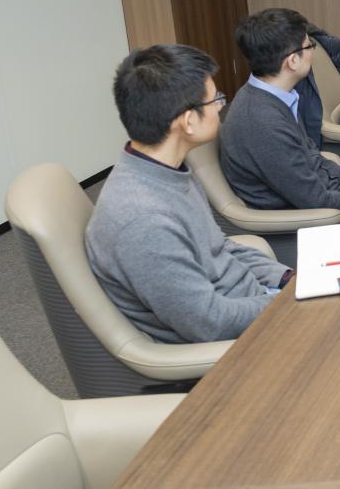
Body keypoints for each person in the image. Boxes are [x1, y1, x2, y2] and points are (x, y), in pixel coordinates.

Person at [86, 45, 288, 344]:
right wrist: (289, 302)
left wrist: (287, 279)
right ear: (188, 121)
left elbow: (218, 247)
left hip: (255, 303)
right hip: (239, 342)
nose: (220, 107)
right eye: (215, 100)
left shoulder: (166, 170)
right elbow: (210, 322)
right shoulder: (145, 222)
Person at [220, 8, 340, 213]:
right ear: (292, 61)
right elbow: (316, 200)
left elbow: (315, 160)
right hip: (299, 220)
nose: (313, 52)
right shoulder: (262, 121)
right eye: (310, 46)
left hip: (319, 201)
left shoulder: (280, 95)